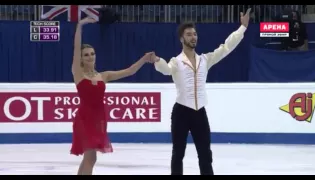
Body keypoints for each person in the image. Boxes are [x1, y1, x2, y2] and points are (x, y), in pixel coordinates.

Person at [150, 9, 251, 175]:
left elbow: (226, 48)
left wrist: (243, 28)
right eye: (189, 34)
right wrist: (157, 60)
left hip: (200, 113)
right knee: (178, 154)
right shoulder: (176, 62)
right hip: (181, 112)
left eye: (195, 34)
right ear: (182, 39)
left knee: (205, 154)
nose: (193, 37)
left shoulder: (205, 60)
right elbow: (166, 70)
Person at [71, 17, 154, 175]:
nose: (90, 56)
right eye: (86, 55)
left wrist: (144, 59)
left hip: (99, 118)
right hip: (84, 118)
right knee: (90, 157)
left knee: (90, 158)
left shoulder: (104, 76)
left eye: (92, 53)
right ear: (81, 58)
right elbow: (76, 48)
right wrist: (80, 25)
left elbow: (129, 71)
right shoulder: (78, 74)